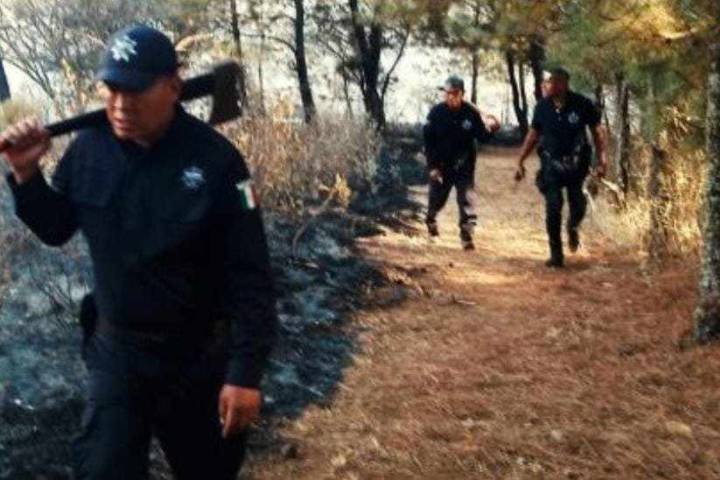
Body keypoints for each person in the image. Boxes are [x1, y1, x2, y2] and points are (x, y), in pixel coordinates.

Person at [1, 24, 277, 479]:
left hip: (198, 358)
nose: (120, 105)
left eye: (135, 91)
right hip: (118, 352)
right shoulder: (88, 151)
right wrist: (27, 177)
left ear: (173, 87)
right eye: (111, 90)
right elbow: (55, 228)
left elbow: (252, 275)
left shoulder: (219, 162)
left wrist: (245, 373)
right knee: (103, 468)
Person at [515, 67, 608, 268]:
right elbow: (533, 134)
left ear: (563, 83)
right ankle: (556, 255)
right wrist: (521, 159)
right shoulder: (542, 107)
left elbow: (597, 133)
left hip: (577, 164)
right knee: (553, 206)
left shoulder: (582, 104)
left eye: (552, 82)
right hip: (551, 164)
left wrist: (602, 160)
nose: (547, 86)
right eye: (546, 82)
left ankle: (573, 227)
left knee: (578, 206)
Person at [423, 75, 499, 250]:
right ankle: (431, 220)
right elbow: (428, 143)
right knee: (436, 201)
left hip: (464, 165)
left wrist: (493, 128)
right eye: (447, 93)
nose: (451, 97)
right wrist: (432, 167)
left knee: (467, 201)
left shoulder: (471, 114)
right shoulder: (436, 113)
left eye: (455, 93)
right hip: (441, 166)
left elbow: (482, 136)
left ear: (462, 94)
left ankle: (466, 236)